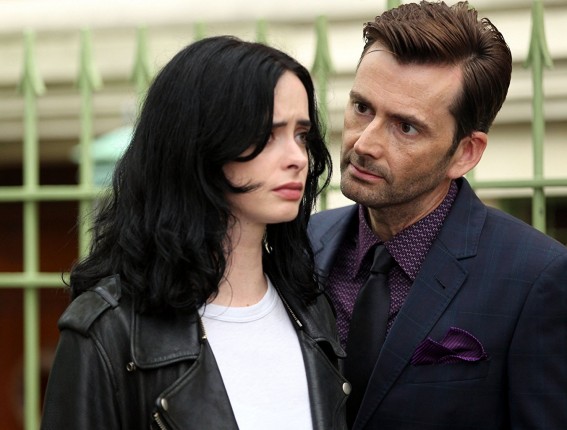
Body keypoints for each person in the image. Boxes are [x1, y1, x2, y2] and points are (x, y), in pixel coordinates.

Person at [41, 35, 349, 430]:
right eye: (268, 135)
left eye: (301, 135)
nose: (296, 158)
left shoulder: (312, 311)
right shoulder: (108, 331)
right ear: (201, 143)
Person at [308, 1, 567, 429]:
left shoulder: (537, 279)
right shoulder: (300, 245)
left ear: (465, 153)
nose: (365, 143)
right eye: (362, 108)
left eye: (406, 127)